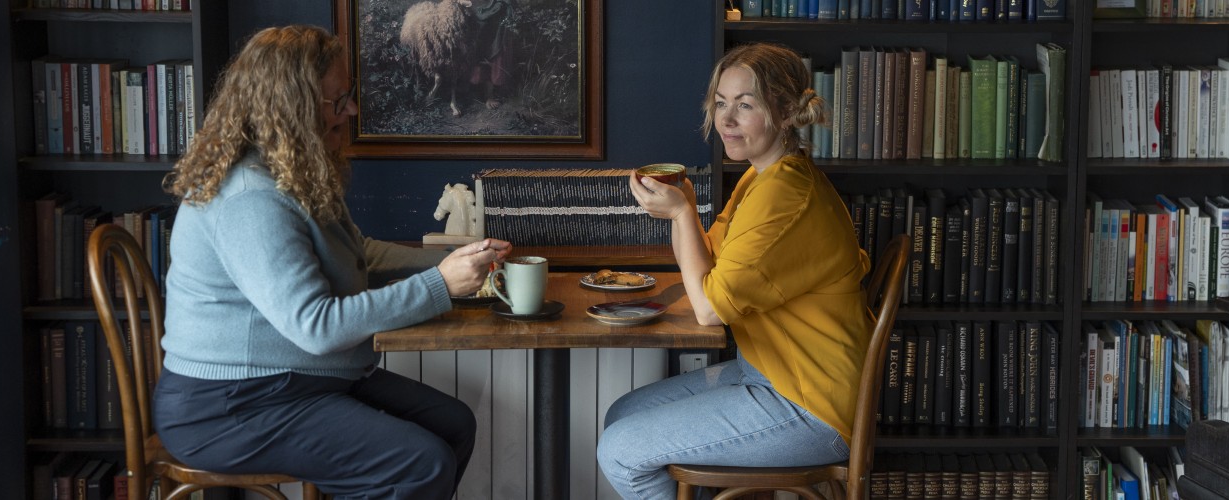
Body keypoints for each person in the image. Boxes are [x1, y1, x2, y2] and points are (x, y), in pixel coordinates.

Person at [153, 25, 511, 498]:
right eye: (337, 100)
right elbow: (316, 327)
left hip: (295, 384)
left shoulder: (290, 172)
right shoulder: (249, 199)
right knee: (418, 464)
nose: (352, 111)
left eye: (349, 95)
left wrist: (456, 255)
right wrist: (440, 284)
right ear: (291, 106)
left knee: (453, 424)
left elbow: (361, 251)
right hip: (228, 408)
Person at [599, 42, 873, 498]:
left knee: (620, 449)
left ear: (786, 113)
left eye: (745, 106)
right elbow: (709, 260)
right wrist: (683, 205)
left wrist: (682, 214)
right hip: (766, 373)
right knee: (623, 415)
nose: (726, 120)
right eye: (721, 103)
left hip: (809, 403)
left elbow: (708, 309)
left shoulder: (784, 196)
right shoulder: (762, 176)